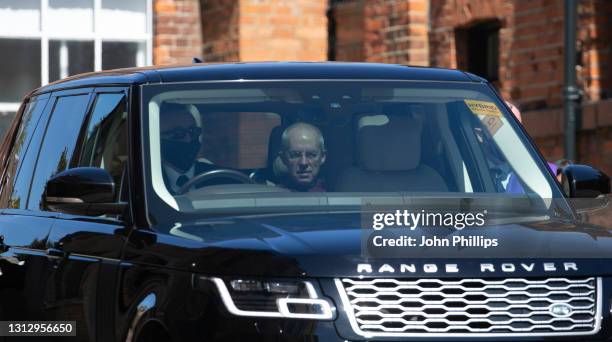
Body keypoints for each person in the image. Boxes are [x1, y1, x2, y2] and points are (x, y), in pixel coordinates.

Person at [159, 103, 212, 193]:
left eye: (193, 131)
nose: (188, 140)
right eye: (177, 133)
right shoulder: (145, 180)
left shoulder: (222, 177)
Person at [278, 122, 327, 192]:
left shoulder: (338, 195)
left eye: (311, 155)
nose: (303, 163)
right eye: (295, 155)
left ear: (322, 157)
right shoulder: (271, 197)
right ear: (283, 158)